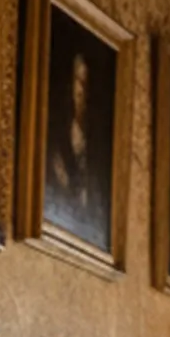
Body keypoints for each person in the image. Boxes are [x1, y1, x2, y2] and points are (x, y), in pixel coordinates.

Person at [46, 44, 102, 237]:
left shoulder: (98, 149)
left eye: (86, 83)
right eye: (78, 81)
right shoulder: (58, 139)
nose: (82, 90)